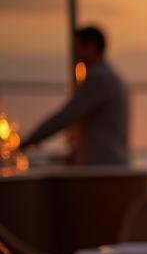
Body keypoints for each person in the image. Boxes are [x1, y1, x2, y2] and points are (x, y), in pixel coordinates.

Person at [21, 26, 129, 165]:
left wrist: (29, 141)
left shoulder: (99, 78)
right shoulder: (112, 77)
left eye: (78, 46)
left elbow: (67, 115)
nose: (75, 53)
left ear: (91, 47)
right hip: (110, 164)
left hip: (101, 166)